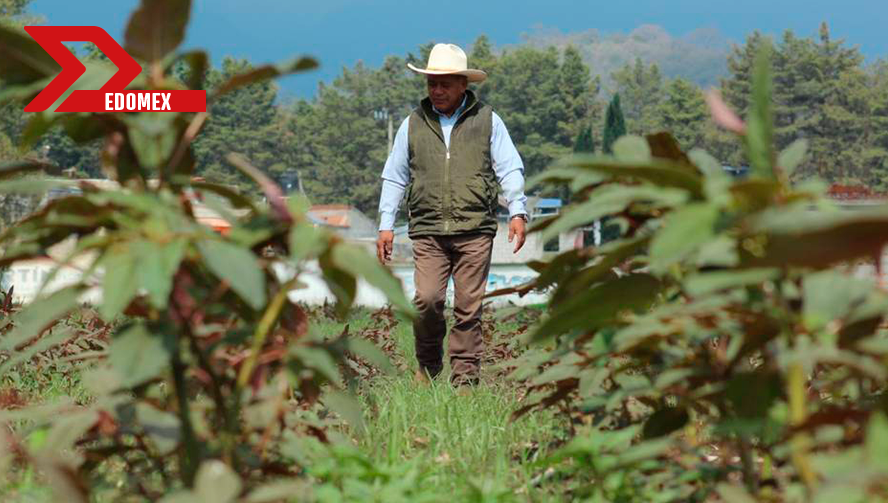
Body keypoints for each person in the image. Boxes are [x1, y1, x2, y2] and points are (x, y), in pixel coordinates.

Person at [375, 43, 528, 387]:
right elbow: (395, 175)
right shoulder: (413, 123)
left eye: (445, 84)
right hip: (428, 229)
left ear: (463, 85)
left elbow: (509, 168)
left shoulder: (487, 120)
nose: (437, 90)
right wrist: (386, 224)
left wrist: (518, 210)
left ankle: (465, 380)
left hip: (475, 228)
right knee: (427, 300)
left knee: (468, 308)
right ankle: (428, 366)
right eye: (432, 83)